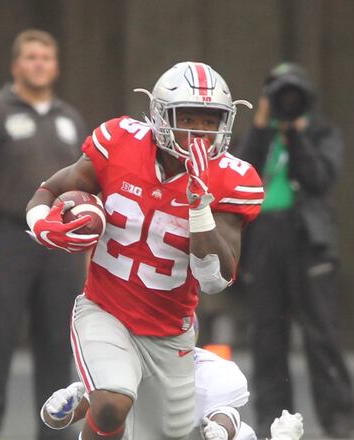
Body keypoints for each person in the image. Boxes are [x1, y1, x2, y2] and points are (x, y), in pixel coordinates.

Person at [23, 61, 263, 440]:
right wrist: (40, 223)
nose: (198, 131)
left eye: (209, 121)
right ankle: (97, 394)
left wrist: (199, 207)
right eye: (187, 117)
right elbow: (50, 189)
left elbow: (215, 279)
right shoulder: (119, 142)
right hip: (106, 308)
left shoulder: (233, 178)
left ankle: (91, 392)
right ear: (160, 116)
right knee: (111, 404)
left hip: (170, 330)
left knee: (171, 433)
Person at [0, 29, 87, 440]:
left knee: (57, 338)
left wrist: (85, 248)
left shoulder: (69, 120)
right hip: (10, 234)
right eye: (30, 57)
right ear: (16, 65)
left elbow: (87, 185)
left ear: (57, 67)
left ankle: (54, 429)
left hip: (61, 243)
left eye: (45, 58)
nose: (38, 64)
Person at [234, 62, 354, 438]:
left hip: (307, 240)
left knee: (320, 335)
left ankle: (337, 421)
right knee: (267, 336)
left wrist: (297, 136)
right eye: (278, 97)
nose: (286, 103)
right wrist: (260, 127)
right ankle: (275, 423)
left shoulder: (322, 133)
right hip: (264, 240)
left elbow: (319, 179)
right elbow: (238, 176)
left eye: (293, 97)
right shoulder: (257, 135)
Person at [40, 347, 305, 440]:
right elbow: (72, 414)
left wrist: (220, 431)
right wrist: (56, 411)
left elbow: (227, 415)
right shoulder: (126, 363)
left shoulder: (211, 371)